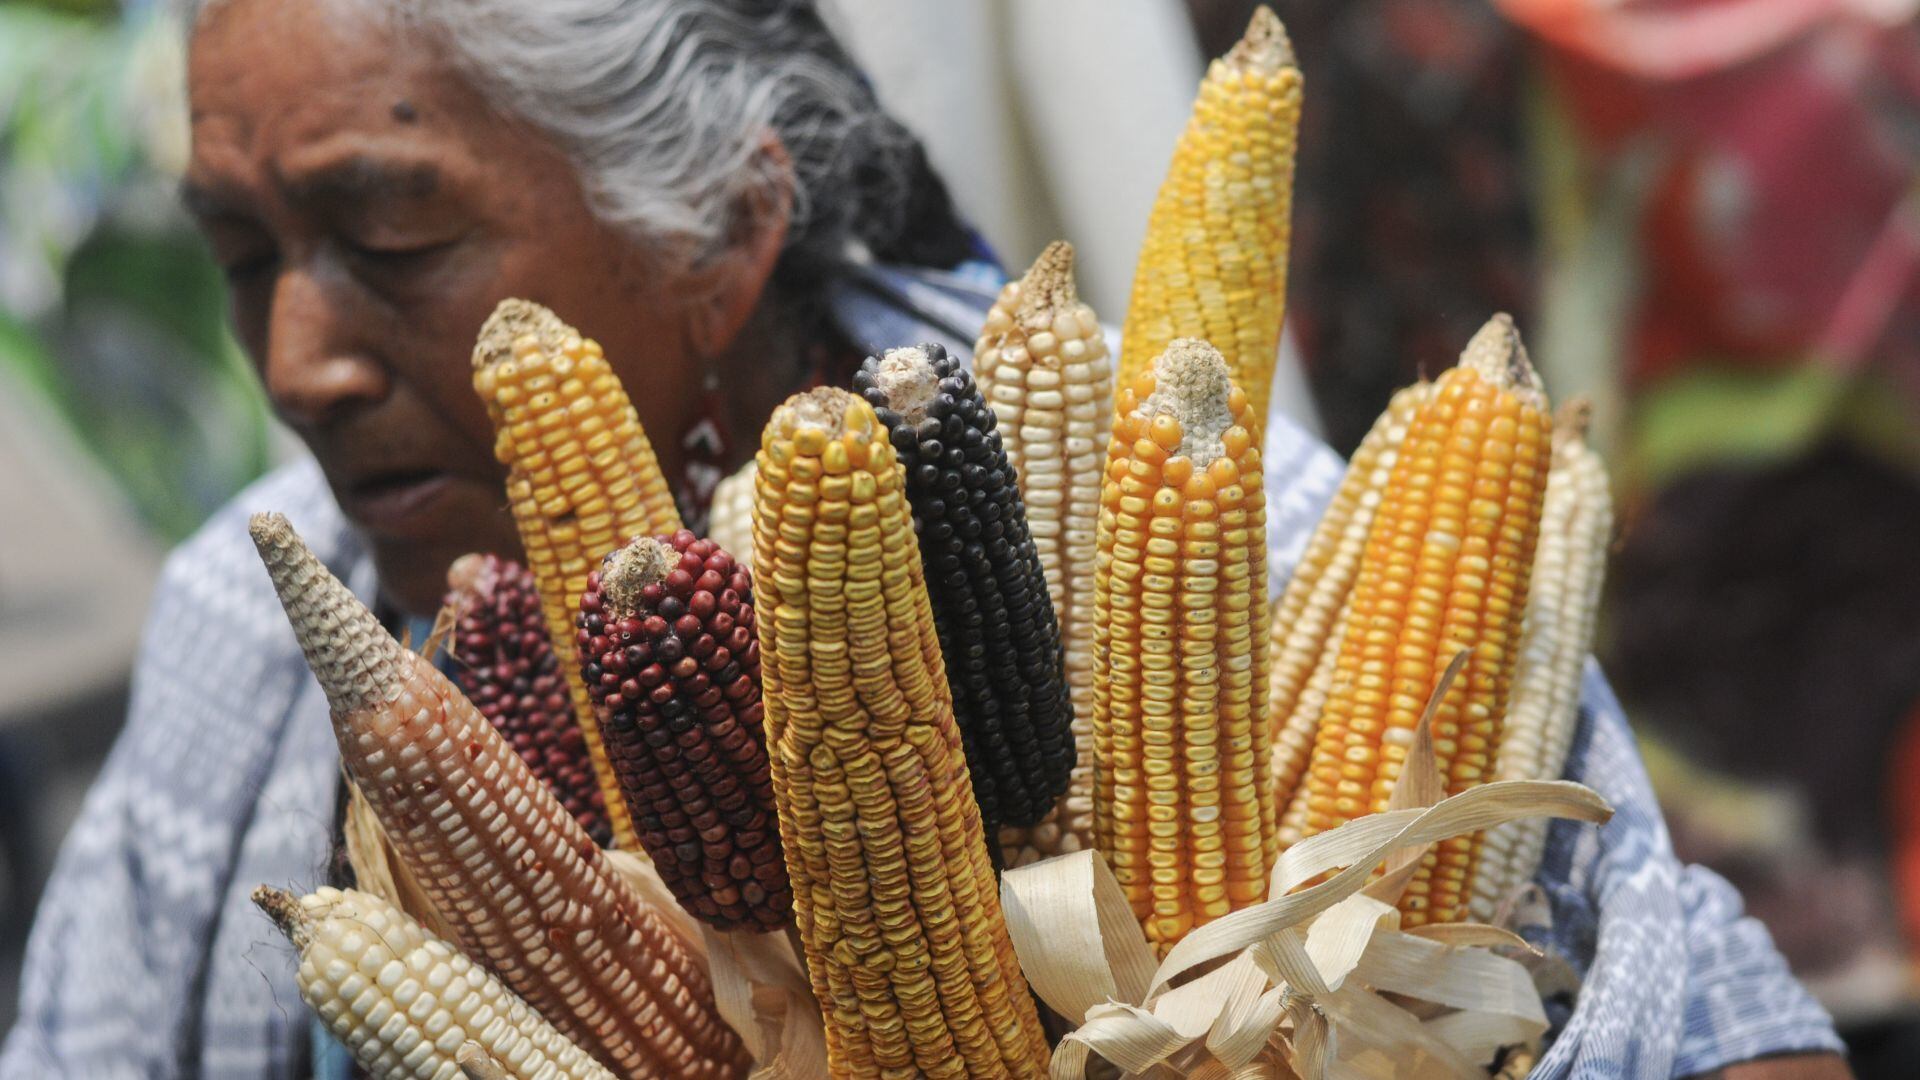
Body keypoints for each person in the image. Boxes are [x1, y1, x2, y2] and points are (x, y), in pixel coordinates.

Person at [0, 1, 1852, 1077]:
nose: (300, 363)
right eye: (244, 263)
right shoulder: (253, 616)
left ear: (723, 233)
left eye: (391, 244)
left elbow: (1735, 1028)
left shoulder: (1244, 539)